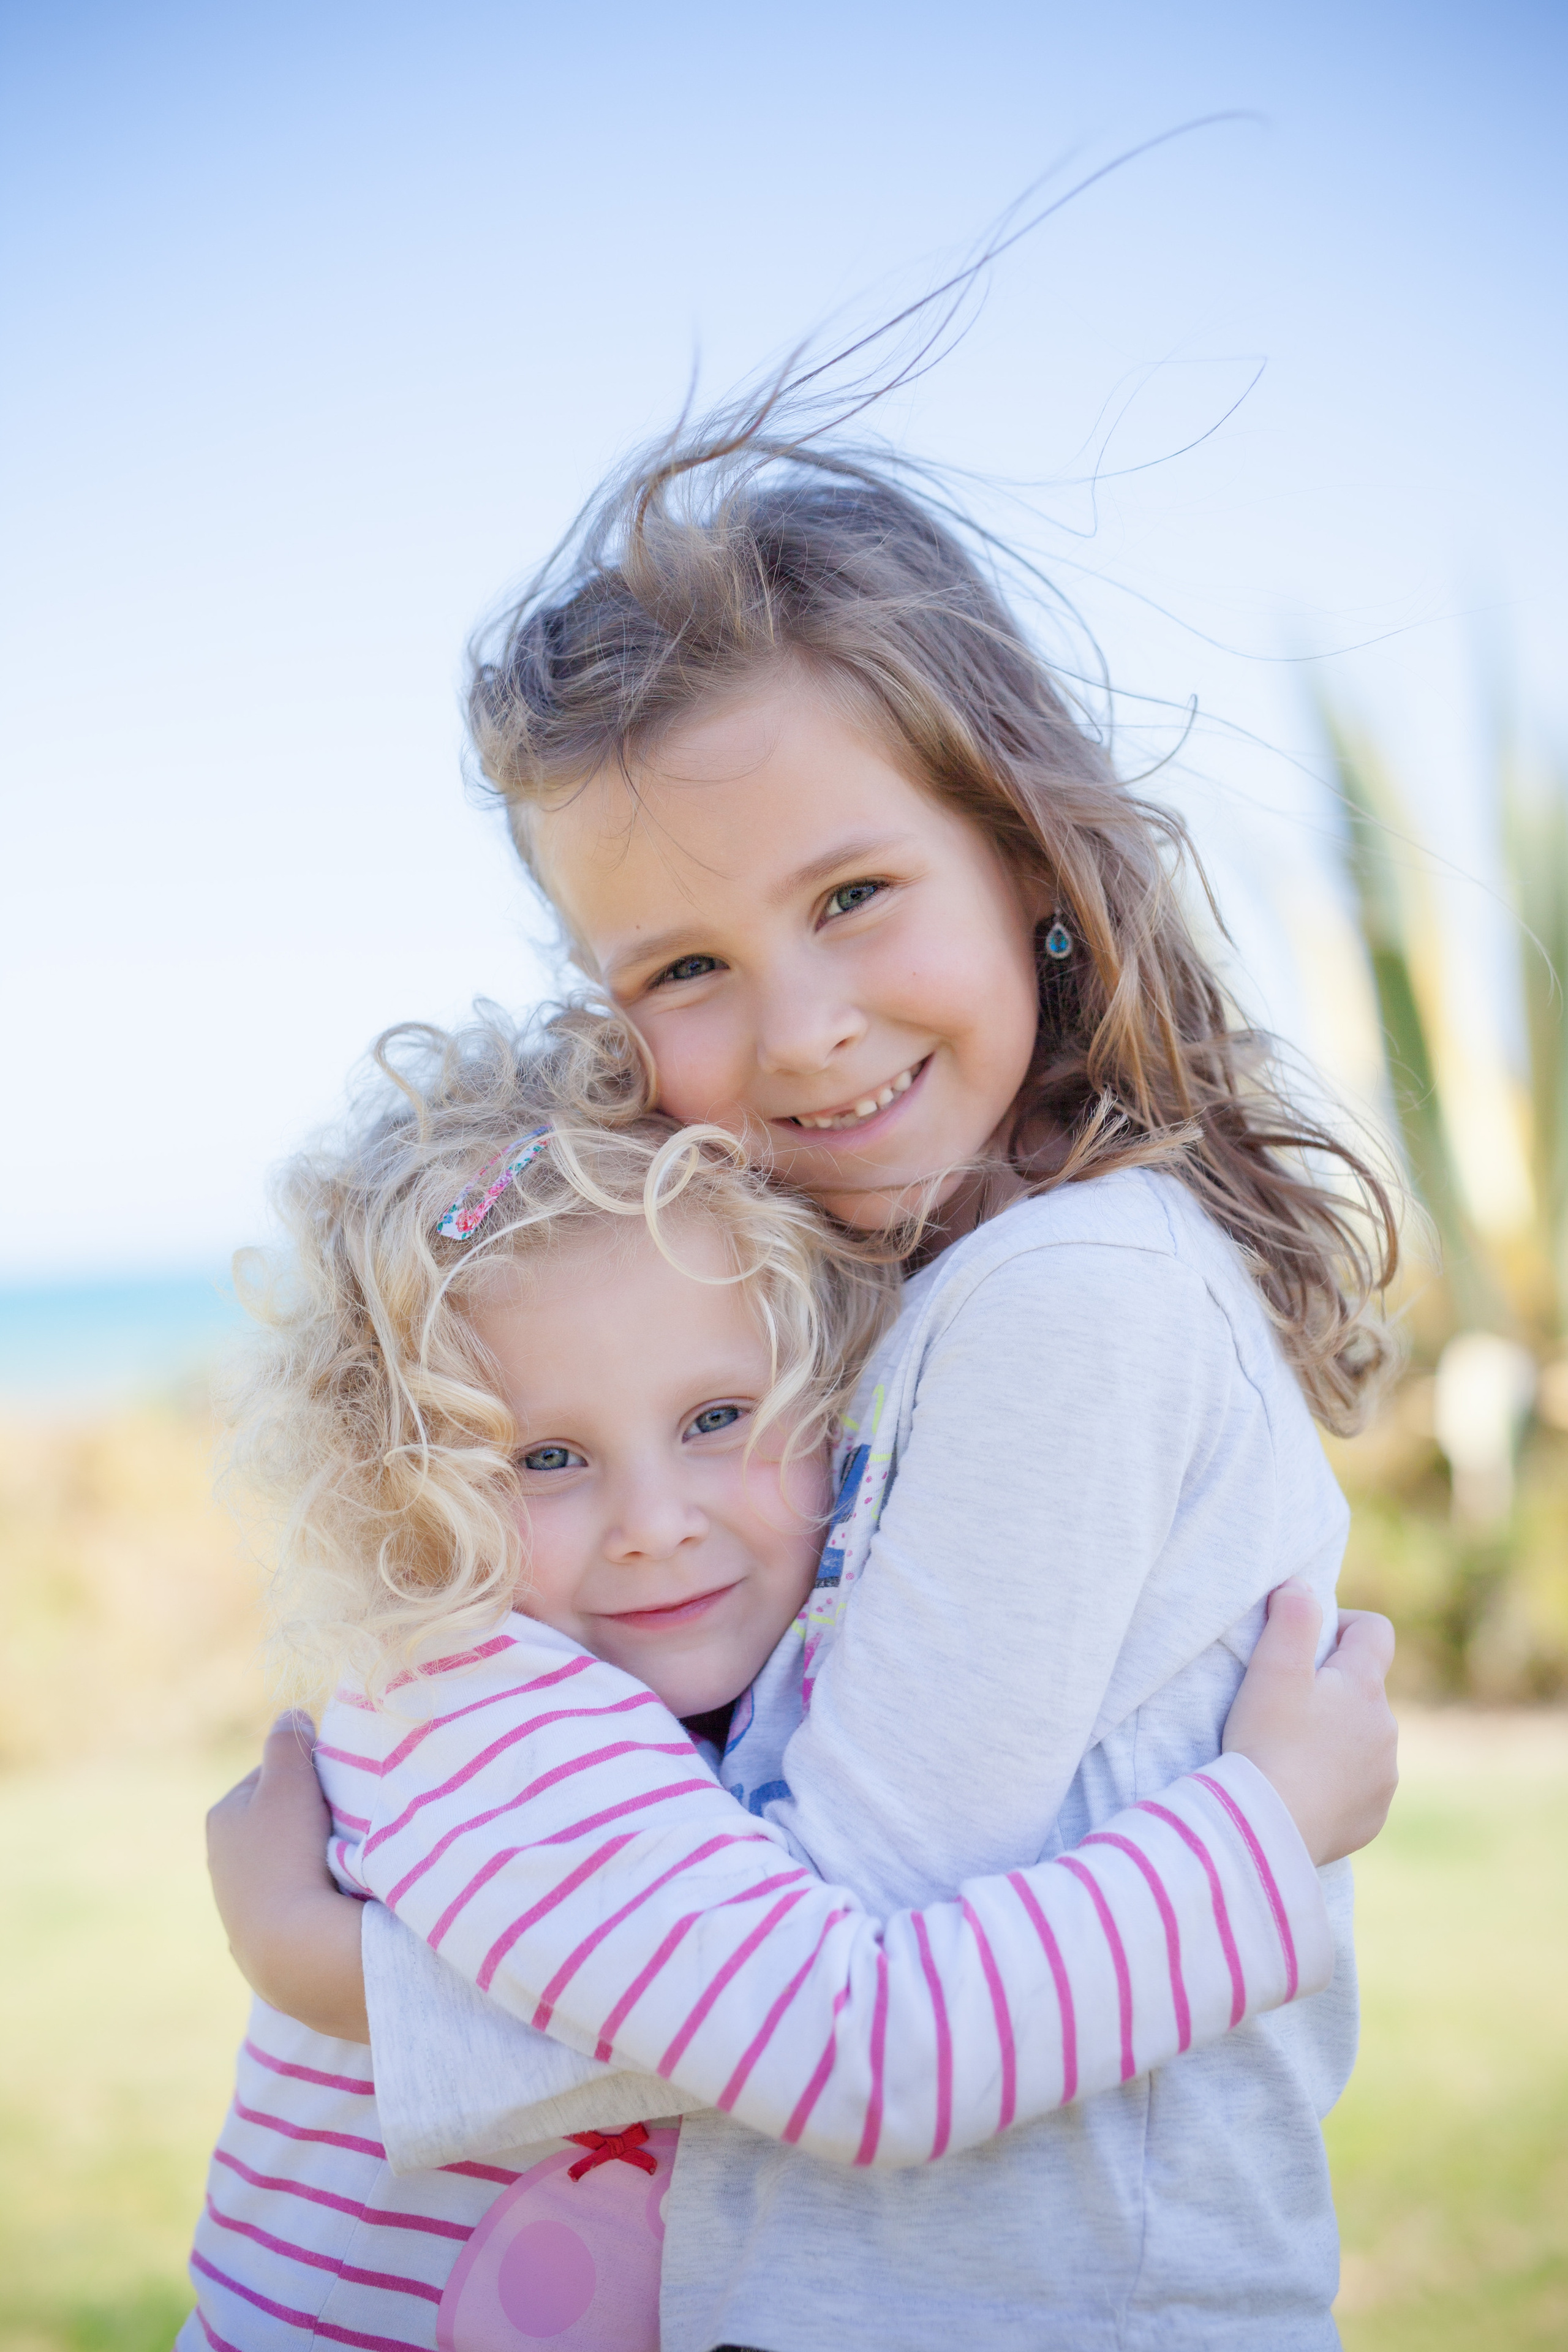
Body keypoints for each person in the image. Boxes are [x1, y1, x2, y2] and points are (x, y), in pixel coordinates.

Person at [206, 418, 1401, 2350]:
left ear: (1025, 849)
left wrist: (347, 1982)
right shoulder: (853, 1303)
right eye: (683, 965)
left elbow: (816, 1978)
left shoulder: (1068, 1295)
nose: (804, 1028)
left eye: (851, 896)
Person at [189, 1009, 1384, 2350]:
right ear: (403, 1499)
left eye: (714, 1420)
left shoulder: (651, 1694)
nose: (653, 1519)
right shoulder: (482, 1709)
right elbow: (854, 2053)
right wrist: (1266, 1831)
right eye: (543, 1460)